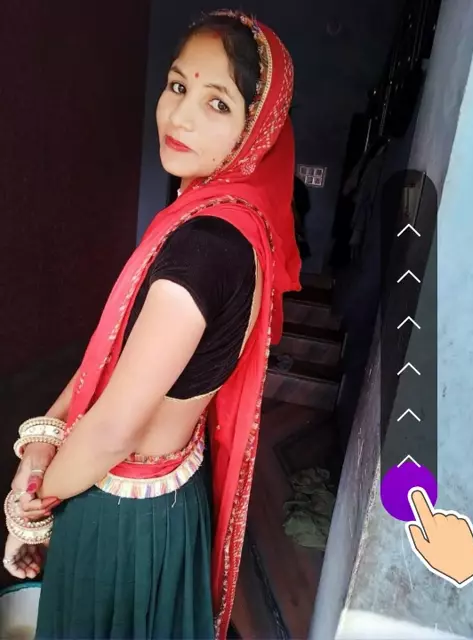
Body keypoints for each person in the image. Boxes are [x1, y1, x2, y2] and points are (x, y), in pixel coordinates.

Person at [3, 10, 300, 639]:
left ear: (256, 129)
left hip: (121, 512)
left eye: (217, 102)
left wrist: (34, 507)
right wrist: (42, 442)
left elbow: (113, 429)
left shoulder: (206, 248)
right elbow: (108, 359)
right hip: (164, 499)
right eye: (177, 85)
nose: (180, 116)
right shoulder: (228, 223)